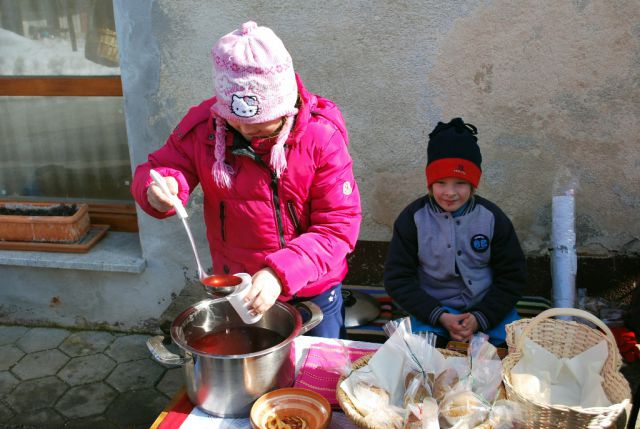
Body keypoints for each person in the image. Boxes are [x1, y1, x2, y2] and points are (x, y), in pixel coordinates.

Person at [131, 21, 361, 338]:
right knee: (250, 376)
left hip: (313, 288)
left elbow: (338, 226)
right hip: (239, 288)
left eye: (262, 124)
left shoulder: (320, 138)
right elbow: (157, 169)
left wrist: (280, 273)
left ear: (287, 106)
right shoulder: (203, 129)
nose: (248, 132)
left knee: (316, 377)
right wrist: (158, 188)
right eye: (236, 123)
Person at [383, 118, 526, 345]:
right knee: (418, 357)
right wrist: (440, 316)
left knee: (511, 351)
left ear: (473, 184)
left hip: (487, 309)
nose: (449, 192)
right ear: (430, 184)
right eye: (440, 182)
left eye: (460, 182)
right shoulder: (413, 219)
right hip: (432, 312)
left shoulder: (492, 218)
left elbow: (512, 277)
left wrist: (480, 318)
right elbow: (398, 279)